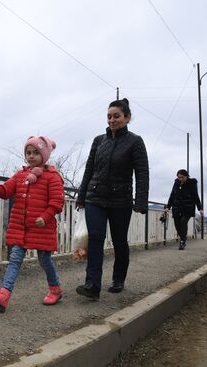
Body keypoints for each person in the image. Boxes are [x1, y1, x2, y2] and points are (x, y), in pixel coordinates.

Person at [75, 98, 149, 300]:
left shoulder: (135, 141)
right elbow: (89, 169)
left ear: (127, 118)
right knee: (95, 239)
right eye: (109, 116)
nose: (112, 120)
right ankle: (92, 284)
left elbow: (142, 173)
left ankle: (118, 278)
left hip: (120, 200)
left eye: (116, 116)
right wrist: (81, 197)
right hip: (95, 197)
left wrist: (140, 202)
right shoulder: (99, 141)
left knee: (119, 241)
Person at [0, 136, 64, 312]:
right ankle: (3, 295)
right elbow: (6, 191)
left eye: (36, 152)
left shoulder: (52, 177)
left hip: (42, 228)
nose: (31, 156)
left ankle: (55, 289)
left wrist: (45, 216)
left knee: (44, 260)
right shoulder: (21, 175)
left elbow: (57, 202)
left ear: (44, 155)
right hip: (20, 228)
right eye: (28, 152)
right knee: (14, 259)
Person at [163, 169, 203, 250]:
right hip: (177, 207)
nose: (180, 179)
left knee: (183, 222)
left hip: (188, 207)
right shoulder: (176, 183)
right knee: (177, 225)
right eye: (179, 177)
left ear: (186, 176)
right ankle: (183, 238)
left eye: (182, 177)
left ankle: (182, 242)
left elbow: (195, 195)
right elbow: (172, 195)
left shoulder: (192, 183)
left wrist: (200, 208)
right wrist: (168, 207)